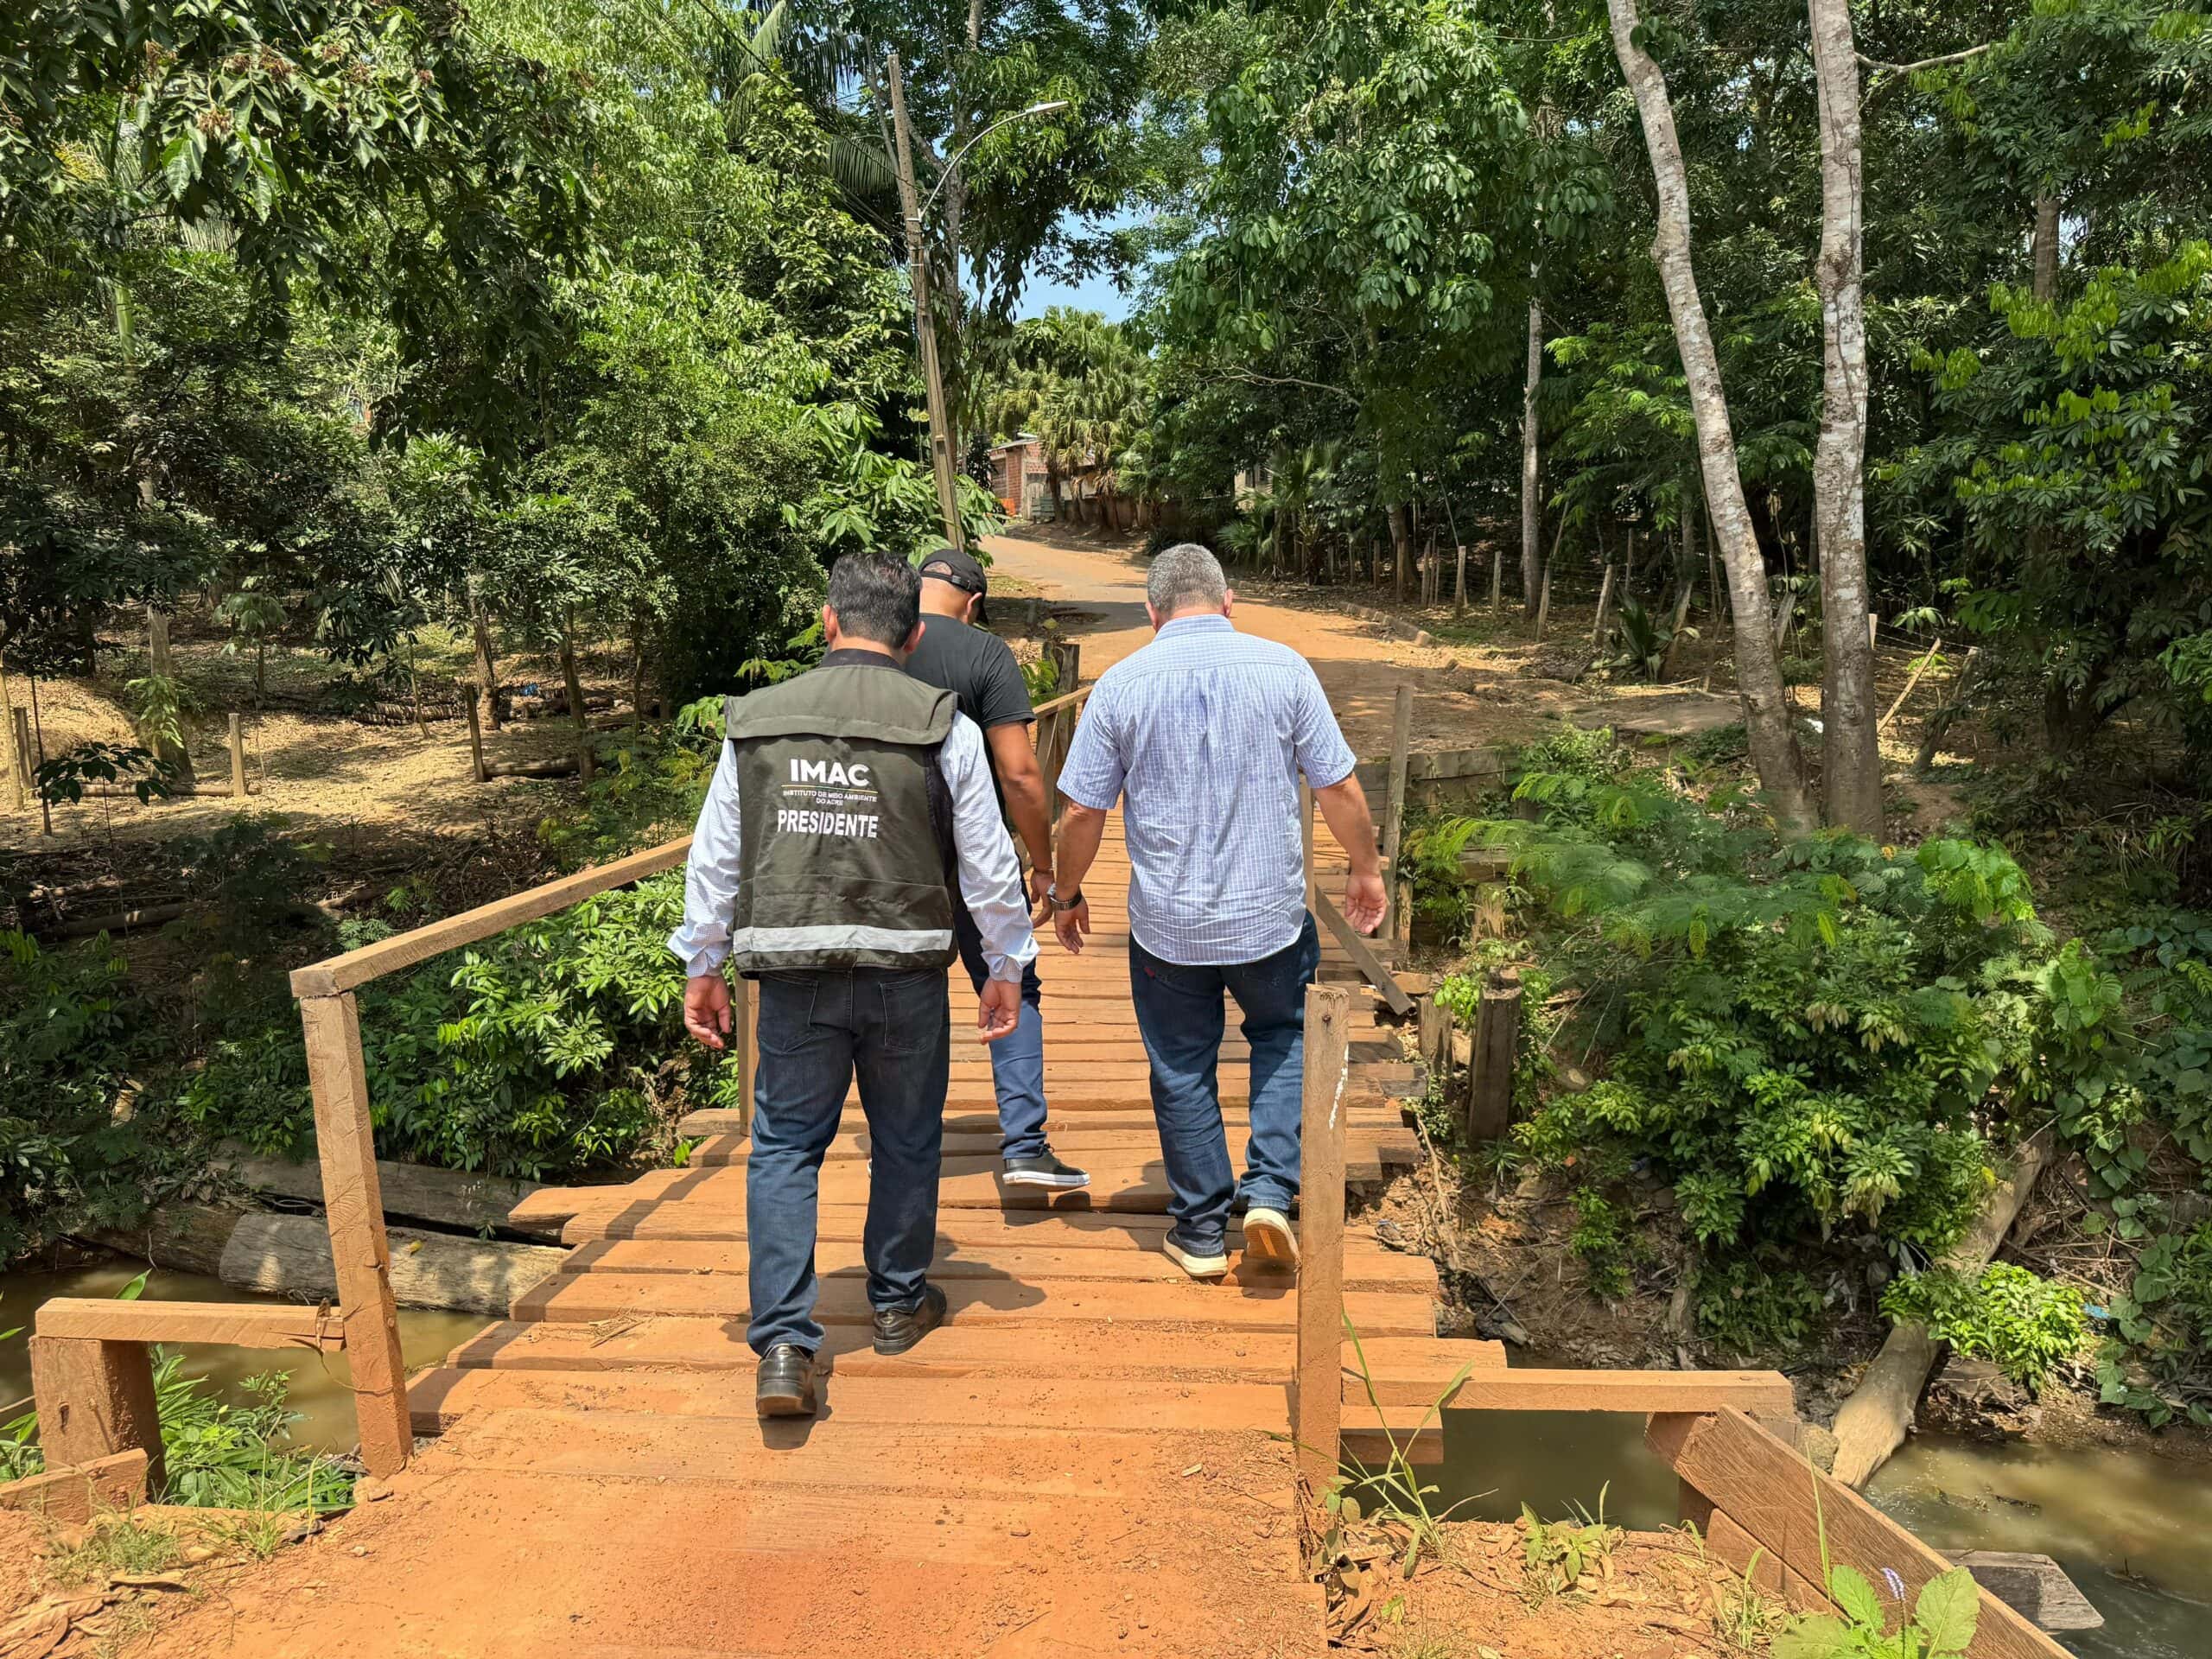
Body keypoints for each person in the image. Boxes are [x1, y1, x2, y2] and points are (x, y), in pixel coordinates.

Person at [669, 553, 1038, 1419]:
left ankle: (784, 1344)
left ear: (829, 622)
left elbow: (716, 855)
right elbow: (987, 860)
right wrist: (1006, 964)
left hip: (792, 972)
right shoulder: (942, 723)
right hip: (906, 970)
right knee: (906, 1135)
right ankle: (898, 1301)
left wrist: (702, 962)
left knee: (785, 1147)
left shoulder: (757, 720)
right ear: (911, 636)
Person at [1047, 543, 1385, 1281]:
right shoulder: (1284, 669)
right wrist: (1364, 868)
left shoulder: (1120, 686)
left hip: (1168, 929)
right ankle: (1268, 1192)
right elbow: (1338, 788)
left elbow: (1081, 814)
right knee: (1283, 1036)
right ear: (1228, 602)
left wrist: (1066, 895)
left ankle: (1201, 1231)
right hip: (1269, 918)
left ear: (1152, 612)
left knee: (1181, 1065)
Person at [905, 545, 1087, 1191]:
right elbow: (1020, 774)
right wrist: (1043, 866)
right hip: (974, 852)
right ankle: (1025, 1147)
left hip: (887, 856)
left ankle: (902, 1146)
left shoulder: (875, 644)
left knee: (904, 989)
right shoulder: (983, 653)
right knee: (1013, 979)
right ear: (974, 602)